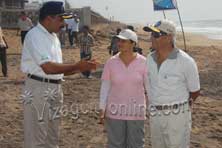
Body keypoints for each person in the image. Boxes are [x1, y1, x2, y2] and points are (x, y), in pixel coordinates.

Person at [20, 2, 97, 148]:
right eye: (61, 19)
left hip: (55, 89)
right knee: (37, 139)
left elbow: (59, 70)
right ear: (49, 18)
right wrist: (76, 65)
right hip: (38, 89)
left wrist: (81, 67)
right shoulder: (34, 35)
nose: (64, 23)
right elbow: (48, 68)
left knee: (52, 138)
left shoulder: (54, 37)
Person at [143, 19, 200, 148]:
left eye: (156, 35)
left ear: (169, 37)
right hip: (155, 114)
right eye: (151, 34)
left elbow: (195, 91)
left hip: (177, 117)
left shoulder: (186, 61)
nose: (152, 38)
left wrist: (181, 109)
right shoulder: (149, 59)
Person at [99, 29, 148, 148]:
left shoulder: (144, 62)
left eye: (124, 41)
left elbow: (149, 87)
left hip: (136, 111)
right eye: (119, 40)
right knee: (115, 144)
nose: (120, 43)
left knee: (136, 144)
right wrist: (102, 107)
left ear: (133, 43)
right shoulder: (111, 62)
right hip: (115, 111)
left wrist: (153, 106)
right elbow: (105, 86)